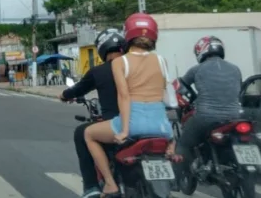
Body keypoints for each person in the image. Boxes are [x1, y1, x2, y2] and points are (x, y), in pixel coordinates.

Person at [84, 13, 174, 198]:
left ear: (128, 35)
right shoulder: (161, 60)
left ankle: (109, 183)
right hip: (161, 125)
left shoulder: (120, 62)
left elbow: (124, 97)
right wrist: (172, 137)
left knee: (89, 134)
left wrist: (124, 130)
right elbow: (169, 99)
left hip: (134, 122)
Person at [60, 28, 126, 198]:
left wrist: (64, 95)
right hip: (144, 121)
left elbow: (77, 89)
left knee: (81, 133)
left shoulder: (98, 72)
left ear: (102, 49)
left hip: (116, 125)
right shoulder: (134, 67)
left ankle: (91, 187)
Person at [170, 36, 242, 173]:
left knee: (183, 144)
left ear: (201, 51)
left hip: (206, 116)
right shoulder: (235, 69)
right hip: (235, 116)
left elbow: (180, 87)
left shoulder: (197, 69)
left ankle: (177, 178)